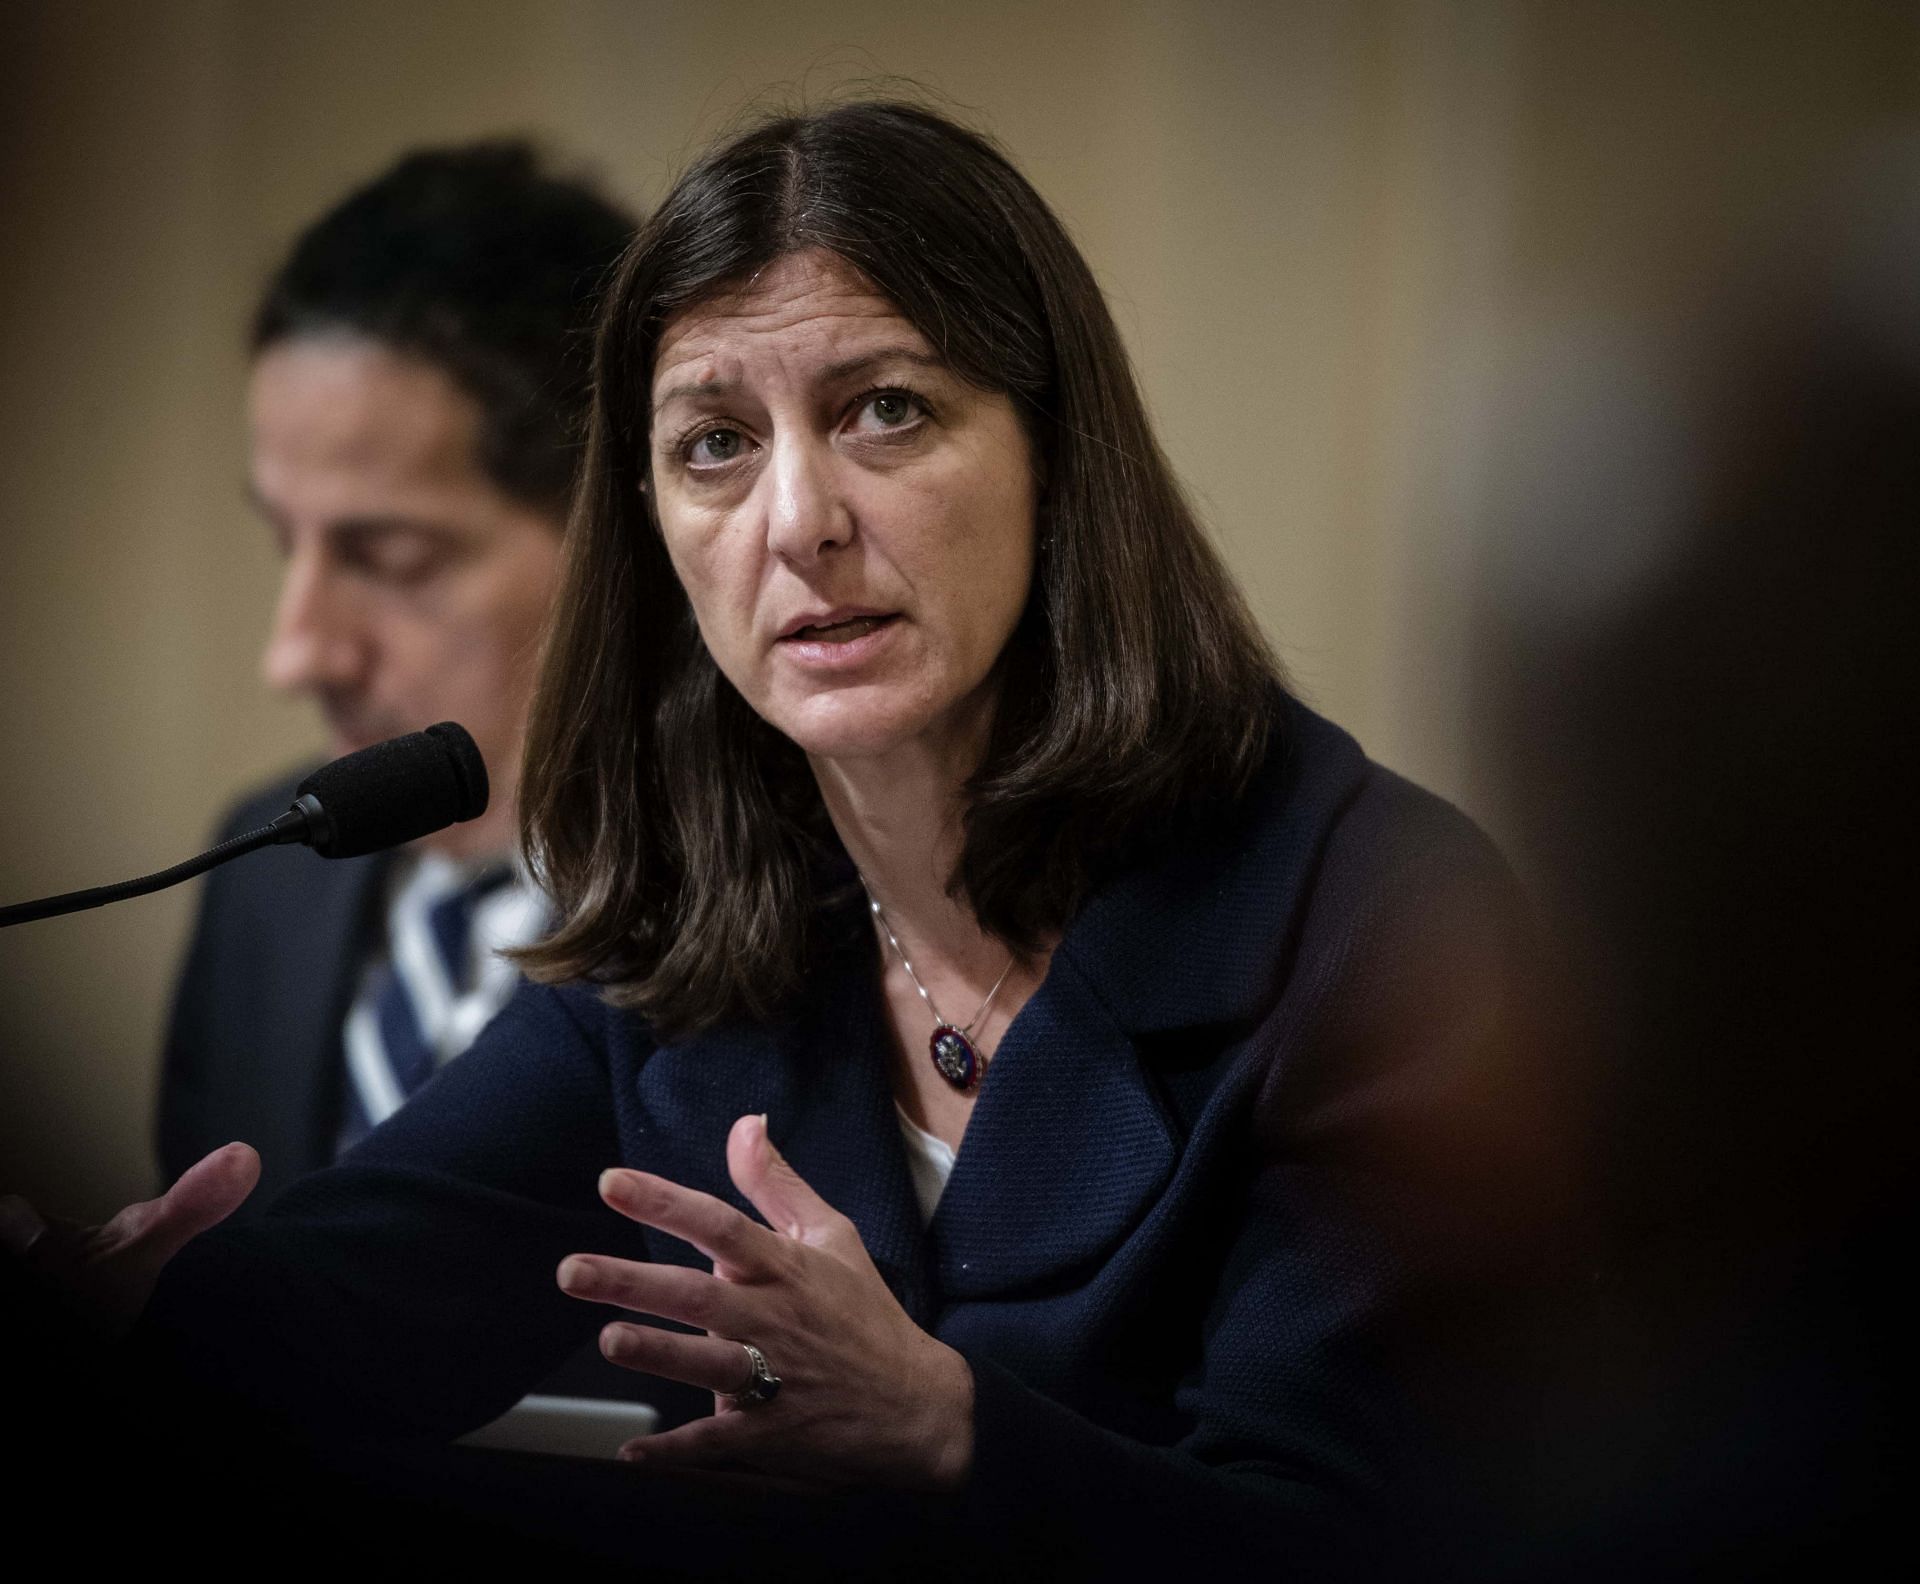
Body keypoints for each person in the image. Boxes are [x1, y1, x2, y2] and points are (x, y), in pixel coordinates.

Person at [12, 102, 1548, 1575]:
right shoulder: (699, 907)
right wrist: (149, 1315)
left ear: (1058, 457)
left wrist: (952, 1432)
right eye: (714, 445)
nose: (797, 519)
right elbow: (367, 1291)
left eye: (887, 410)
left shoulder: (1380, 919)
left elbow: (1372, 1538)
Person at [157, 142, 635, 1207]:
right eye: (290, 542)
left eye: (389, 558)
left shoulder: (793, 904)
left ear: (618, 535)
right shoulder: (262, 877)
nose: (297, 652)